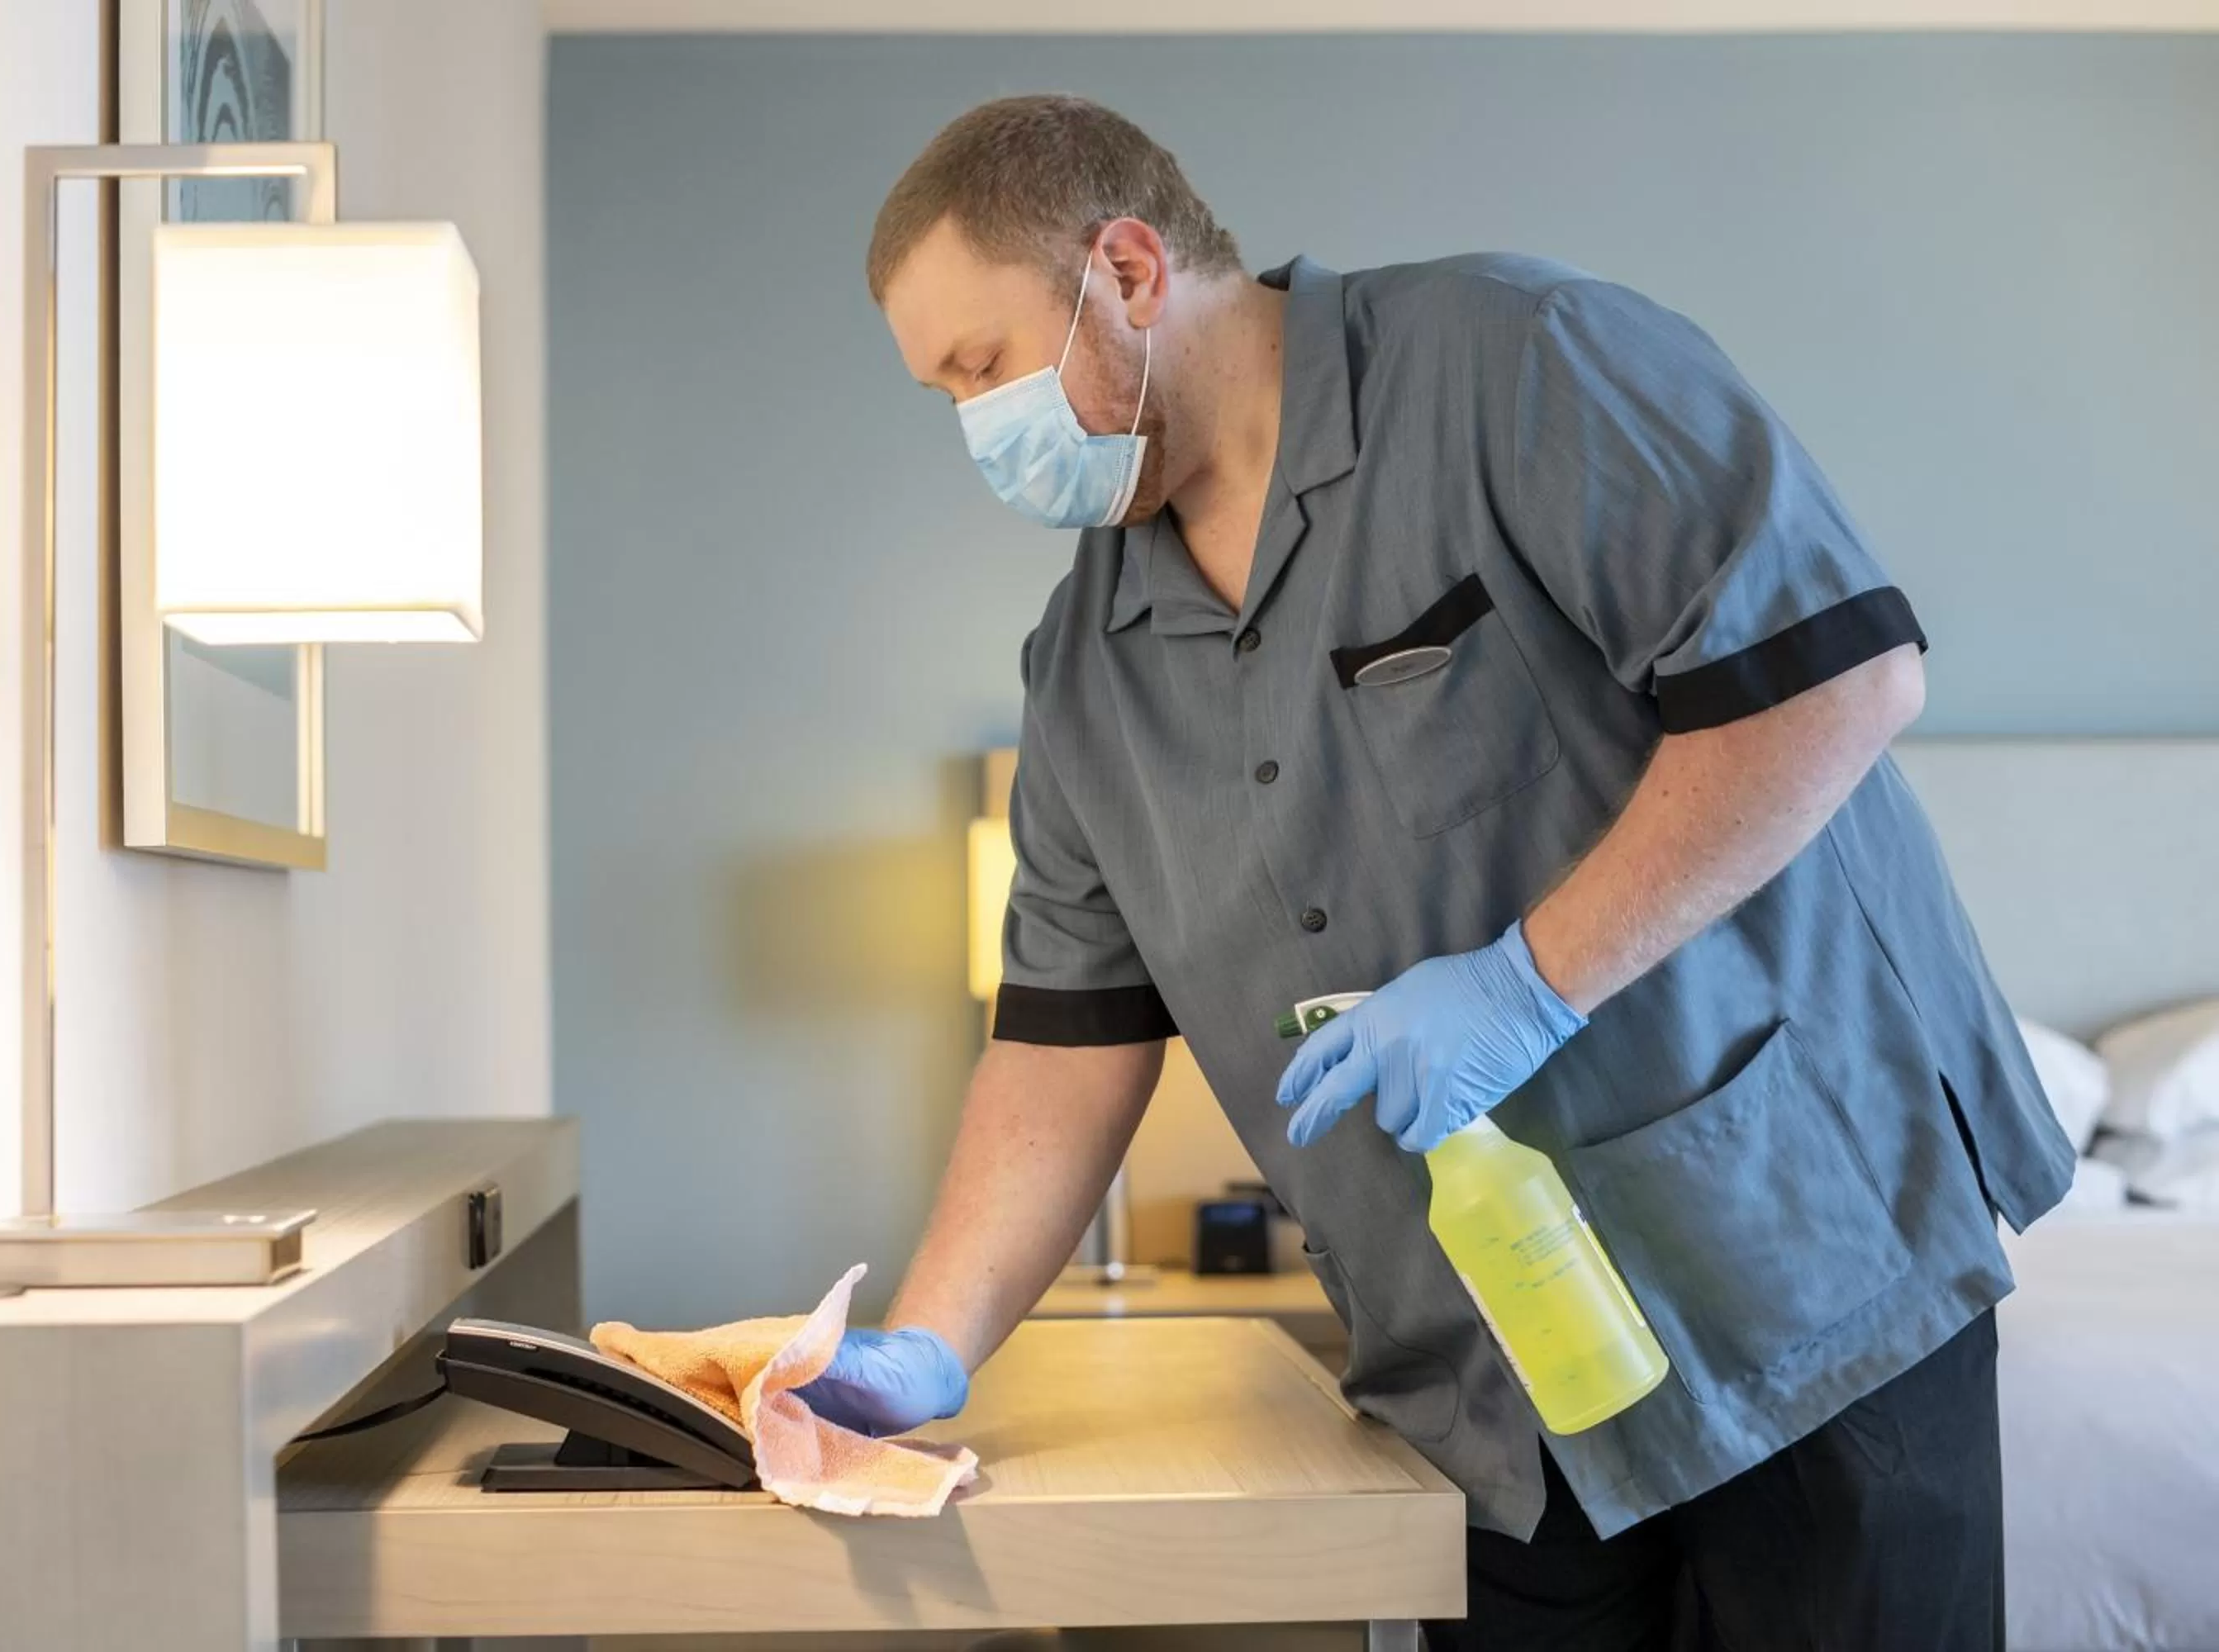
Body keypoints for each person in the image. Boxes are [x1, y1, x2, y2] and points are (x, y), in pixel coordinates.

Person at [796, 94, 2072, 1651]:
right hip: (1483, 1400)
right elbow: (1066, 1041)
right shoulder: (1086, 668)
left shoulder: (1516, 361)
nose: (976, 433)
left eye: (983, 370)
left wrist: (1528, 985)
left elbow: (1834, 685)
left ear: (1126, 269)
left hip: (1794, 1285)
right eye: (944, 396)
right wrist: (932, 1340)